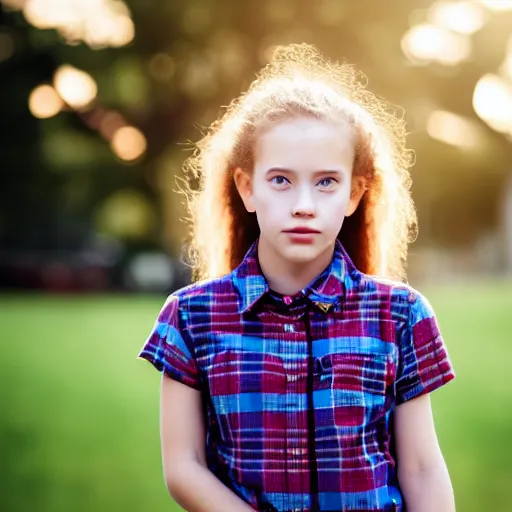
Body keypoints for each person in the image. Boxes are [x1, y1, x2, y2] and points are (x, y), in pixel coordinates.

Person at [138, 44, 456, 512]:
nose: (303, 203)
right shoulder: (190, 317)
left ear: (354, 193)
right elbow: (183, 467)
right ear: (247, 187)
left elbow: (423, 470)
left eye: (326, 181)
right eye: (281, 180)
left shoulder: (402, 315)